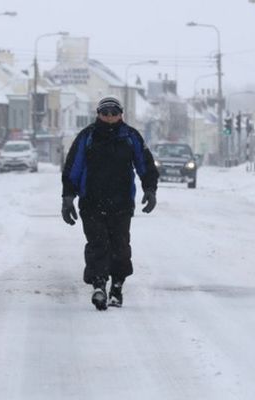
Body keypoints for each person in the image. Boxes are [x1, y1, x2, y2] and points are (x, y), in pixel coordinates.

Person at [61, 96, 159, 311]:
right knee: (97, 245)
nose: (109, 117)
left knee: (120, 248)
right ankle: (99, 286)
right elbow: (73, 168)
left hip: (121, 203)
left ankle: (116, 286)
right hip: (91, 202)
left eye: (114, 112)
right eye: (105, 113)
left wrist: (150, 189)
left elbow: (145, 164)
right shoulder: (87, 136)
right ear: (98, 114)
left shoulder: (130, 136)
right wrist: (68, 197)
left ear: (121, 114)